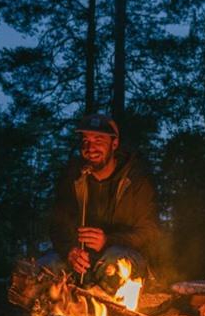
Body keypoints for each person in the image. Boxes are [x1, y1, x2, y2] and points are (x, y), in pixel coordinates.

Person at [44, 113, 161, 292]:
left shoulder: (135, 180)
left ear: (114, 144)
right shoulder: (73, 178)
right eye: (85, 141)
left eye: (98, 140)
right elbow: (57, 226)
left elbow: (149, 231)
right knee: (44, 267)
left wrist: (108, 240)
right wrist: (70, 251)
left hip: (123, 256)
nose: (90, 148)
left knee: (113, 264)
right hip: (83, 261)